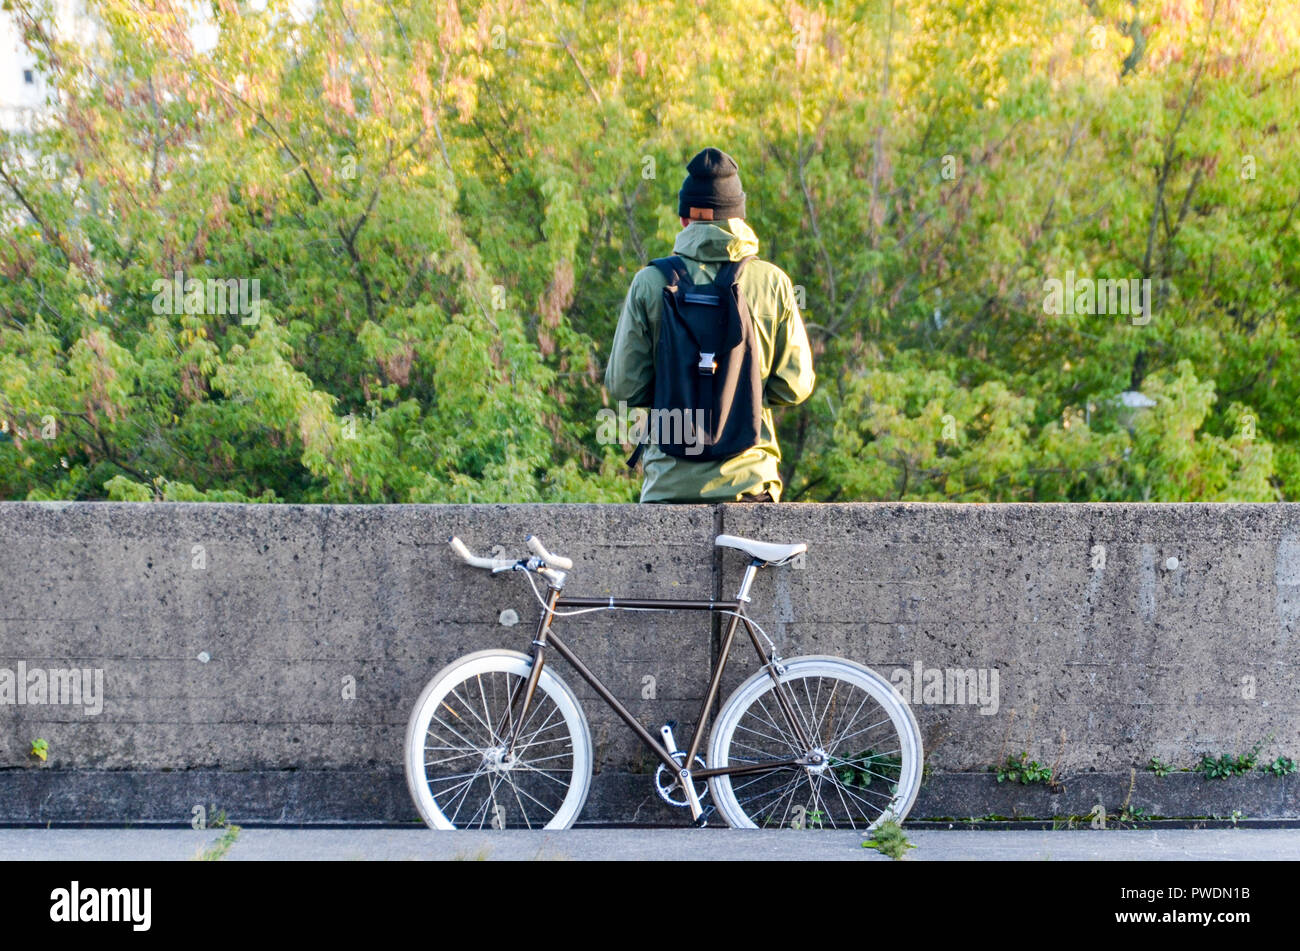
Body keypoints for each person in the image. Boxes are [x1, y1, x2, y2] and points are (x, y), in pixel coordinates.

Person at [604, 147, 816, 503]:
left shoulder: (650, 282)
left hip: (669, 488)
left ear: (686, 218)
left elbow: (624, 386)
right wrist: (741, 391)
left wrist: (676, 384)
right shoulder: (773, 283)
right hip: (749, 485)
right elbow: (796, 386)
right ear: (739, 217)